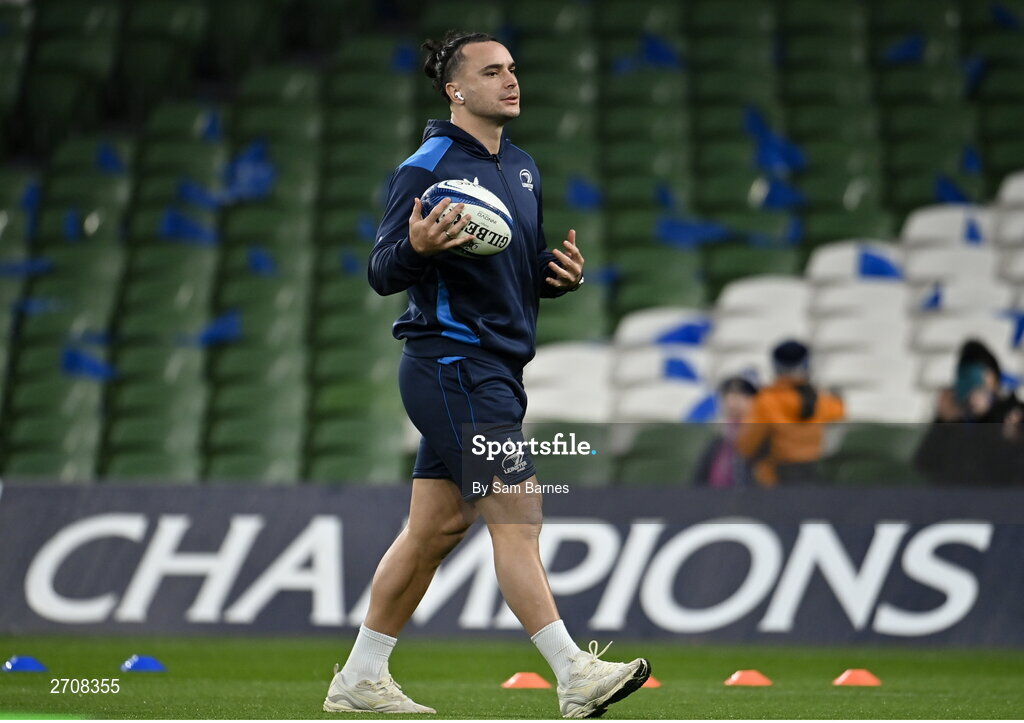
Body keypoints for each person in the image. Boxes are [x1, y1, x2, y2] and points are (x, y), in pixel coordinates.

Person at [322, 30, 650, 718]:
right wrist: (412, 244)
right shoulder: (428, 165)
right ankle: (574, 671)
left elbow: (513, 269)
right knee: (519, 511)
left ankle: (360, 677)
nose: (511, 80)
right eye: (492, 70)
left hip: (491, 364)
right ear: (456, 89)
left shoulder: (522, 167)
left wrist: (555, 277)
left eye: (513, 69)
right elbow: (383, 270)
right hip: (452, 358)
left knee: (437, 528)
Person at [914, 339, 1024, 486]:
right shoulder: (958, 422)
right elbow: (924, 463)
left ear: (993, 379)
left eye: (978, 376)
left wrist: (1005, 431)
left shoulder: (1014, 413)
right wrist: (943, 423)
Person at [735, 340, 845, 486]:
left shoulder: (766, 401)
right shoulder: (820, 399)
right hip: (812, 475)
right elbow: (839, 411)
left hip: (776, 479)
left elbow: (747, 446)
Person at [692, 375, 758, 487]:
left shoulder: (762, 444)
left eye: (742, 395)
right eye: (728, 396)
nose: (732, 402)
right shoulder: (716, 445)